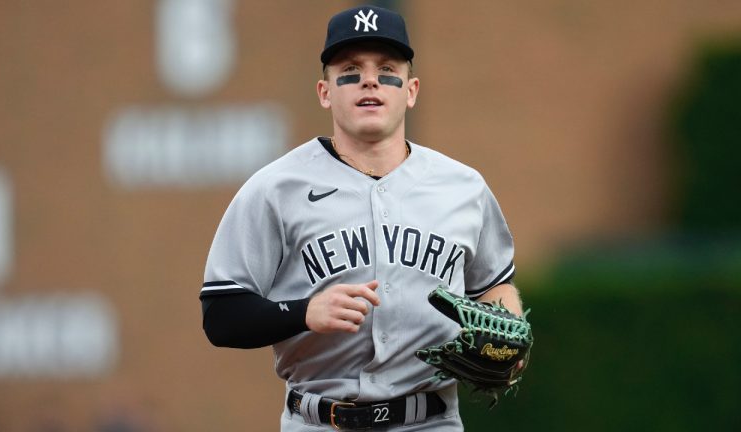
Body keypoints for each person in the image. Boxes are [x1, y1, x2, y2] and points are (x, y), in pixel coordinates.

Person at [200, 5, 524, 431]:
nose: (370, 79)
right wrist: (302, 311)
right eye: (350, 69)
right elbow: (221, 315)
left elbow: (495, 286)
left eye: (387, 68)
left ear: (410, 90)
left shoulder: (463, 186)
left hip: (430, 422)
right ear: (325, 92)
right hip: (319, 420)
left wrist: (511, 335)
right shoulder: (274, 188)